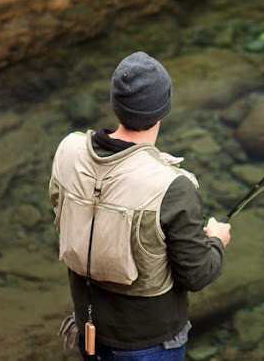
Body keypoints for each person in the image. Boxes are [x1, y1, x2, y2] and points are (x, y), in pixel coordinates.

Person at [49, 51, 231, 360]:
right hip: (149, 345)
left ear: (115, 103)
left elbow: (60, 212)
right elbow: (197, 275)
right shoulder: (173, 186)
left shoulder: (68, 151)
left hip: (86, 327)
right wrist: (216, 240)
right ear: (164, 109)